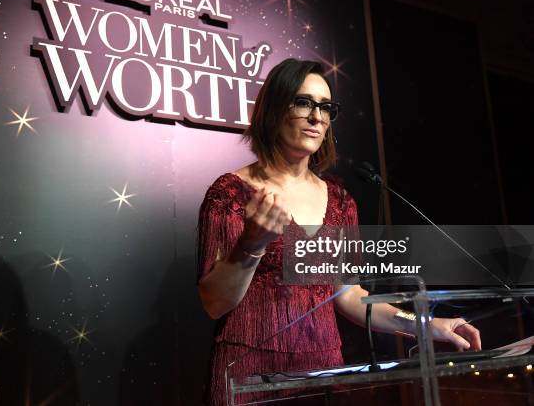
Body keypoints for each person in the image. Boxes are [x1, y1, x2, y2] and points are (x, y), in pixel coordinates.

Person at [196, 58, 481, 405]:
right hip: (251, 375)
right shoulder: (231, 192)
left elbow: (348, 295)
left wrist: (426, 322)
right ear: (273, 108)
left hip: (325, 375)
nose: (317, 117)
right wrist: (251, 245)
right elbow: (213, 303)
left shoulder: (340, 200)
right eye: (303, 103)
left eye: (326, 107)